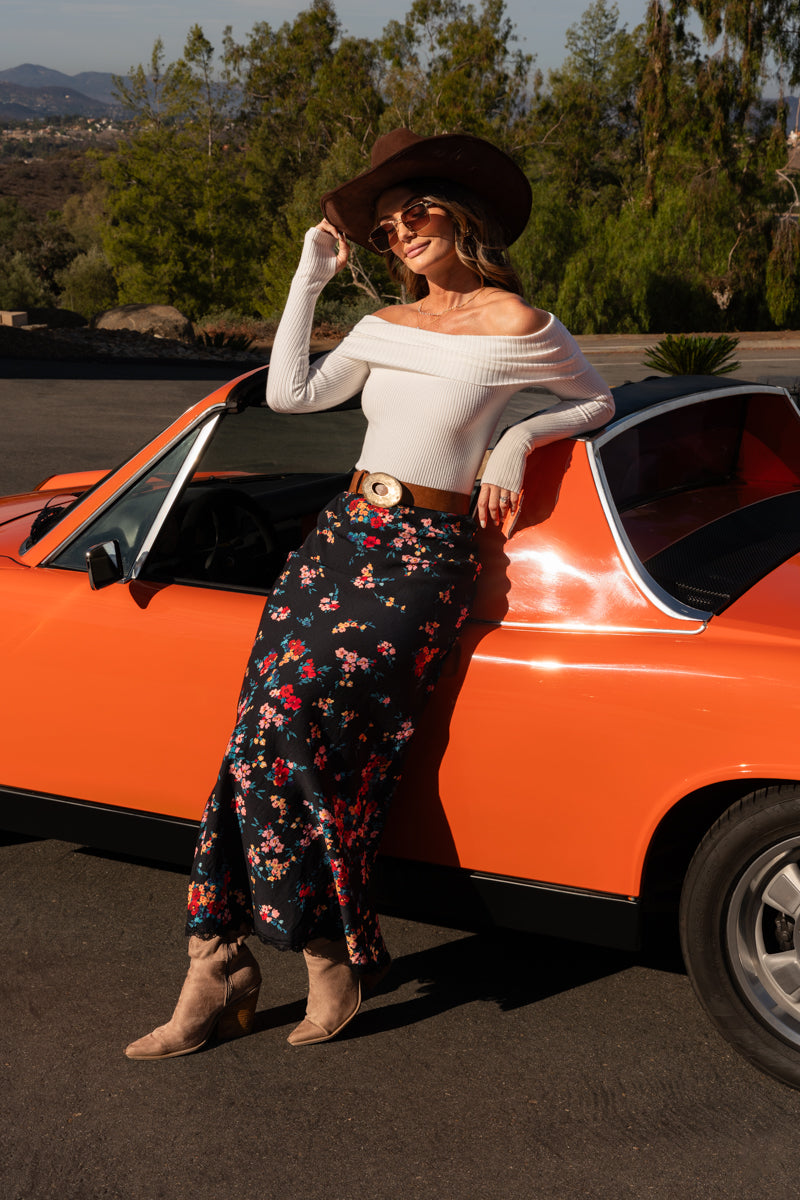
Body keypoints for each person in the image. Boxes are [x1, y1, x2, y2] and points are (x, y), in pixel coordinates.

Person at [124, 128, 614, 1060]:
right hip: (340, 539)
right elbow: (290, 394)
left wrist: (519, 440)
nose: (400, 233)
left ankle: (319, 950)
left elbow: (598, 401)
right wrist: (309, 278)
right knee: (256, 733)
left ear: (458, 213)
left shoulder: (519, 326)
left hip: (425, 552)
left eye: (413, 213)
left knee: (305, 729)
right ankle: (218, 958)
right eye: (386, 227)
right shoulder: (383, 325)